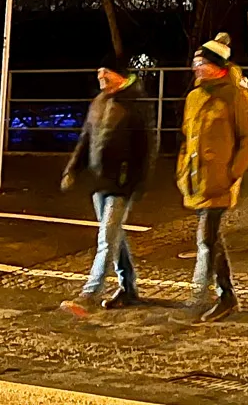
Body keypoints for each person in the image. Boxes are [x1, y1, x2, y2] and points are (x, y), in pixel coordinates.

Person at [59, 53, 154, 316]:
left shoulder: (135, 103)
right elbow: (85, 139)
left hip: (121, 183)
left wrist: (138, 182)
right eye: (99, 70)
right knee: (114, 236)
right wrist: (72, 169)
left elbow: (146, 147)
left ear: (119, 75)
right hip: (99, 180)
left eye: (106, 71)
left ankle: (90, 294)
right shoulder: (99, 102)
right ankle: (129, 288)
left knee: (106, 237)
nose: (100, 75)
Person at [176, 31, 248, 322]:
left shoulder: (236, 95)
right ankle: (219, 294)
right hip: (196, 179)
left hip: (220, 181)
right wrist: (182, 170)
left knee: (207, 237)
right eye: (195, 62)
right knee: (211, 239)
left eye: (201, 63)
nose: (195, 68)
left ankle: (213, 295)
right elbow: (187, 137)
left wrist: (231, 174)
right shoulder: (194, 97)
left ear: (216, 66)